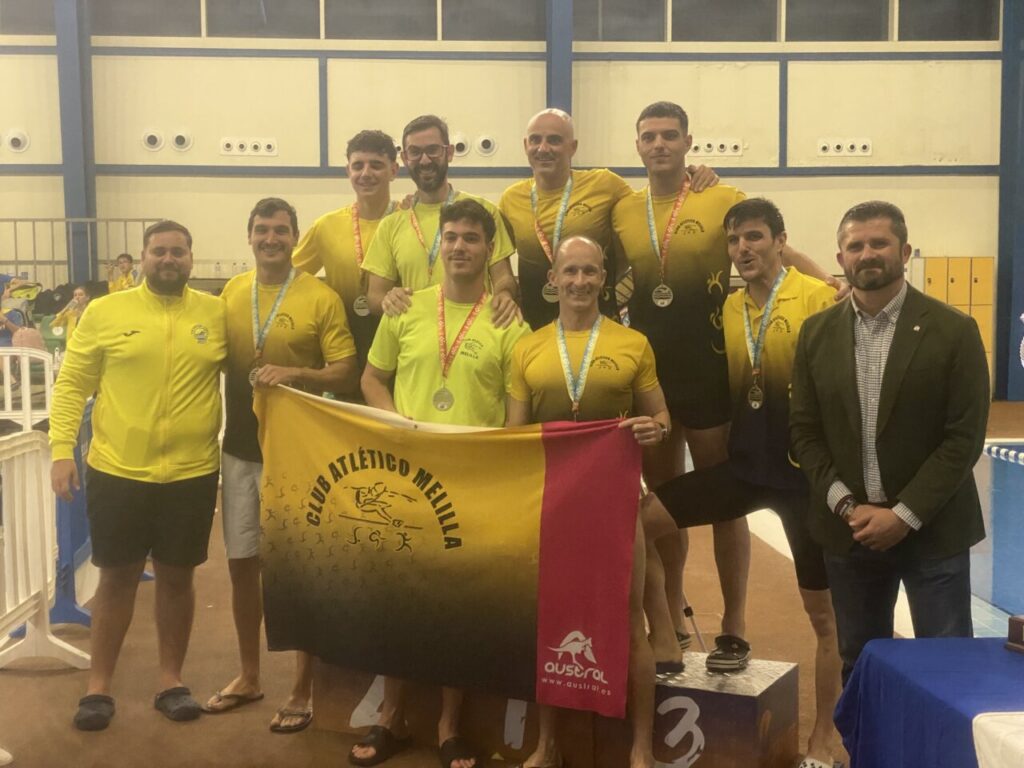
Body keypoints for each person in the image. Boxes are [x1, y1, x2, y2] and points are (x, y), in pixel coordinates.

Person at [612, 100, 841, 670]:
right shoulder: (622, 209)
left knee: (725, 499)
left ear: (689, 141)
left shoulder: (724, 198)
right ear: (636, 145)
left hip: (714, 374)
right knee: (663, 504)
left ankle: (733, 624)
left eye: (670, 135)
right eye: (649, 136)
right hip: (652, 380)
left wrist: (827, 283)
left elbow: (773, 248)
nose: (659, 144)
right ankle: (670, 613)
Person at [645, 199, 841, 766]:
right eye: (734, 242)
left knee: (825, 617)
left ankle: (822, 735)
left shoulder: (816, 297)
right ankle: (664, 628)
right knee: (638, 521)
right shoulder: (727, 308)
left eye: (755, 238)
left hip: (803, 480)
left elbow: (829, 282)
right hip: (744, 469)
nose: (743, 250)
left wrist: (815, 268)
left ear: (781, 241)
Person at [355, 198, 529, 768]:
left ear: (488, 249)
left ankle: (450, 726)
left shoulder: (508, 320)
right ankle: (391, 718)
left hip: (473, 484)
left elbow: (515, 407)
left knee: (458, 607)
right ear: (440, 246)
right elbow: (372, 379)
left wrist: (499, 466)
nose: (459, 247)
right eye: (450, 237)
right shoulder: (405, 308)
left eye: (471, 239)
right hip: (409, 479)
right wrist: (397, 426)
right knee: (400, 603)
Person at [789, 200, 990, 683]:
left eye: (879, 243)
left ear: (905, 251)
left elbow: (963, 439)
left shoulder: (954, 331)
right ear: (840, 259)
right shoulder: (815, 334)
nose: (867, 254)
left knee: (947, 672)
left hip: (934, 532)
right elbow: (804, 432)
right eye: (855, 246)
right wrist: (845, 506)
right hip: (850, 532)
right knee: (860, 665)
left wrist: (904, 515)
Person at [50, 220, 227, 731]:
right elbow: (71, 386)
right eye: (159, 252)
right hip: (118, 471)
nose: (168, 260)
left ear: (191, 258)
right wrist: (63, 449)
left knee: (177, 578)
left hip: (191, 473)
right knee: (117, 579)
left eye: (178, 252)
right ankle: (98, 688)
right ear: (142, 258)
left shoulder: (215, 314)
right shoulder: (106, 311)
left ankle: (171, 682)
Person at [507, 235, 668, 768]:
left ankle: (641, 748)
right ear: (552, 279)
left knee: (629, 620)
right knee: (551, 621)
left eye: (590, 272)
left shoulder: (633, 343)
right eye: (569, 272)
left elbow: (662, 420)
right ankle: (547, 744)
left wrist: (652, 429)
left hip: (617, 502)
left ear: (604, 278)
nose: (579, 282)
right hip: (551, 504)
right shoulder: (527, 348)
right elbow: (514, 435)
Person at [203, 198, 358, 733]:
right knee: (242, 564)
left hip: (299, 455)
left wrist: (294, 373)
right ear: (249, 236)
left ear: (295, 238)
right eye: (262, 230)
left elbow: (344, 371)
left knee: (300, 570)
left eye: (281, 230)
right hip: (240, 451)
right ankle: (248, 675)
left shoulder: (320, 297)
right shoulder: (231, 294)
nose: (271, 238)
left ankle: (301, 687)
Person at [499, 108, 718, 330]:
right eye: (536, 140)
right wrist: (504, 292)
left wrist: (693, 175)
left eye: (554, 140)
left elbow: (652, 208)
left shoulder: (605, 185)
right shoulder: (510, 199)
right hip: (535, 327)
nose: (543, 148)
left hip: (601, 328)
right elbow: (499, 262)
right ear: (526, 145)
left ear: (572, 147)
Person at [363, 114, 520, 328]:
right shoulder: (391, 225)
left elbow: (503, 277)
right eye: (415, 152)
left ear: (450, 152)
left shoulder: (484, 211)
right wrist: (389, 301)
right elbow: (374, 297)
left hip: (474, 337)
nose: (425, 160)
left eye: (433, 150)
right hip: (415, 339)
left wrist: (504, 295)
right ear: (405, 158)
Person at [292, 129, 399, 370]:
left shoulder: (407, 221)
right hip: (345, 346)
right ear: (347, 171)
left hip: (400, 344)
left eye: (376, 165)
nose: (366, 173)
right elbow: (289, 278)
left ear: (394, 170)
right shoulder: (326, 226)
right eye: (358, 165)